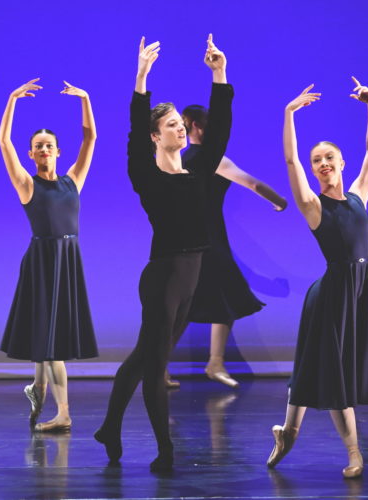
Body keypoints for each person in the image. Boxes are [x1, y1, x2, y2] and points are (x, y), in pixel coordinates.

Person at [94, 34, 233, 472]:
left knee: (143, 357)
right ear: (156, 135)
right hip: (164, 277)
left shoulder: (198, 169)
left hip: (192, 275)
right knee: (156, 366)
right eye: (171, 124)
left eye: (180, 124)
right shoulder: (146, 174)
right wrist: (141, 79)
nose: (180, 128)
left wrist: (219, 75)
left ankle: (109, 427)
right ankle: (165, 451)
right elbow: (134, 134)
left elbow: (219, 133)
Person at [266, 79, 368, 478]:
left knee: (311, 367)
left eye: (329, 157)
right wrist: (288, 114)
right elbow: (291, 163)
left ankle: (288, 432)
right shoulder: (313, 207)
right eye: (316, 160)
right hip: (331, 297)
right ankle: (354, 454)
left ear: (341, 162)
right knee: (334, 377)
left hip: (357, 293)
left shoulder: (358, 196)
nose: (322, 164)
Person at [0, 78, 98, 432]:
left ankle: (38, 388)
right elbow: (4, 142)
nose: (44, 150)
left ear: (58, 151)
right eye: (38, 146)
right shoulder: (27, 185)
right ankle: (63, 412)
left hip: (67, 260)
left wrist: (85, 98)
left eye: (49, 146)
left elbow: (90, 138)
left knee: (49, 335)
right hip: (42, 262)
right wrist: (12, 99)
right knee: (49, 337)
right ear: (31, 154)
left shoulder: (73, 181)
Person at [172, 104, 288, 388]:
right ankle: (210, 362)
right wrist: (280, 201)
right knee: (208, 299)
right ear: (197, 125)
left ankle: (210, 362)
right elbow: (253, 184)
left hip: (192, 237)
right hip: (208, 238)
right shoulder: (212, 159)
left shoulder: (182, 159)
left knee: (204, 300)